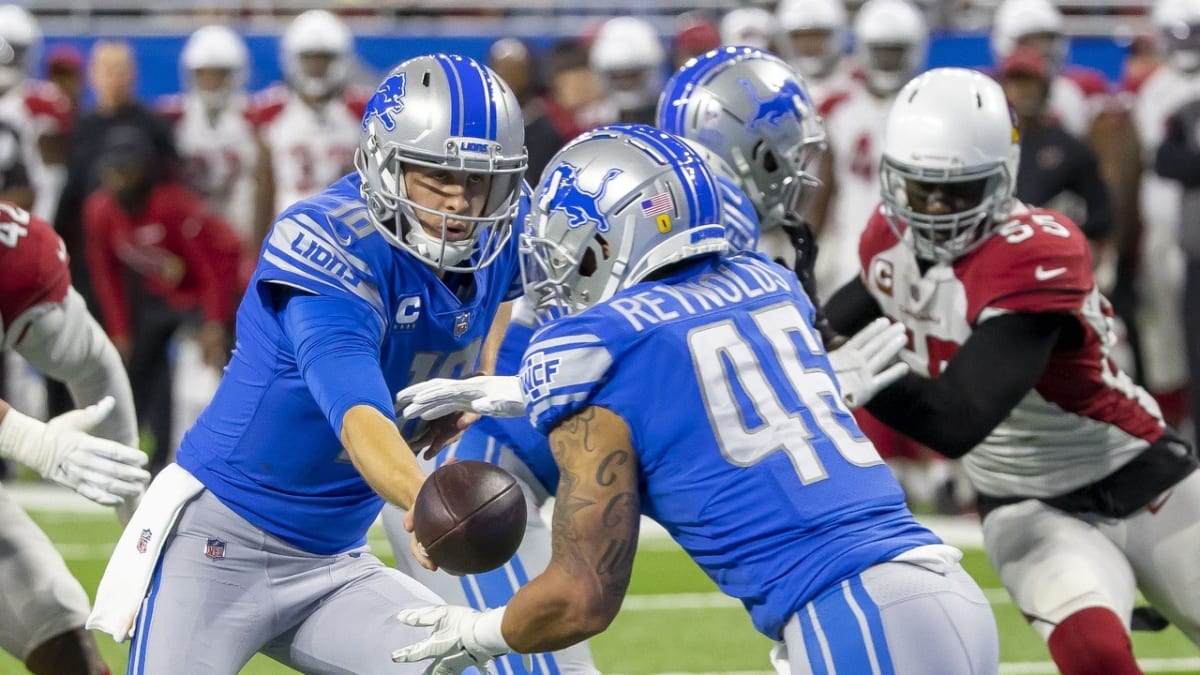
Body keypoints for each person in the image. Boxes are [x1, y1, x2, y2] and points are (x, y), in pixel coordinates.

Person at [390, 123, 999, 674]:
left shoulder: (593, 345)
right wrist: (522, 391)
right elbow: (679, 372)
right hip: (936, 587)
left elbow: (580, 599)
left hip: (853, 613)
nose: (557, 264)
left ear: (610, 238)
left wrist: (481, 631)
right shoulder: (769, 283)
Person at [87, 53, 529, 674]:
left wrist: (473, 374)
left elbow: (505, 282)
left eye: (479, 180)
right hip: (218, 544)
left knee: (449, 668)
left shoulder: (502, 224)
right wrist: (431, 503)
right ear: (386, 162)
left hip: (334, 561)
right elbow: (357, 417)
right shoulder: (329, 242)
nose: (462, 202)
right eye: (436, 176)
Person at [822, 67, 1200, 675]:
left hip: (1137, 474)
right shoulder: (885, 240)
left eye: (959, 192)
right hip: (1025, 502)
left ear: (1002, 179)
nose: (938, 210)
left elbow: (958, 419)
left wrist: (870, 382)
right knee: (1095, 655)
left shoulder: (1035, 251)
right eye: (922, 191)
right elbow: (829, 324)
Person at [0, 199, 149, 675]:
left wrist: (140, 533)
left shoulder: (14, 254)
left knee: (56, 623)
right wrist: (30, 440)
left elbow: (96, 368)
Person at [83, 125, 240, 473]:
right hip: (162, 295)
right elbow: (106, 275)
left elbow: (213, 268)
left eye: (128, 167)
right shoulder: (100, 211)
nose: (119, 177)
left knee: (224, 368)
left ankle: (232, 449)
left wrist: (214, 322)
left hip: (211, 291)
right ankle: (144, 455)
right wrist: (120, 329)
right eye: (113, 168)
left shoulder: (173, 205)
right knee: (142, 366)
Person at [250, 9, 367, 246]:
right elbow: (264, 186)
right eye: (309, 59)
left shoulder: (360, 111)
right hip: (289, 230)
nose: (316, 67)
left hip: (346, 232)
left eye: (324, 59)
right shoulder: (273, 111)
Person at [1000, 46, 1113, 243]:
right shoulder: (987, 145)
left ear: (1045, 88)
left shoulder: (1069, 147)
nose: (1024, 91)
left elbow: (1102, 214)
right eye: (1017, 83)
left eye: (1030, 83)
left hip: (1047, 253)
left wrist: (1065, 230)